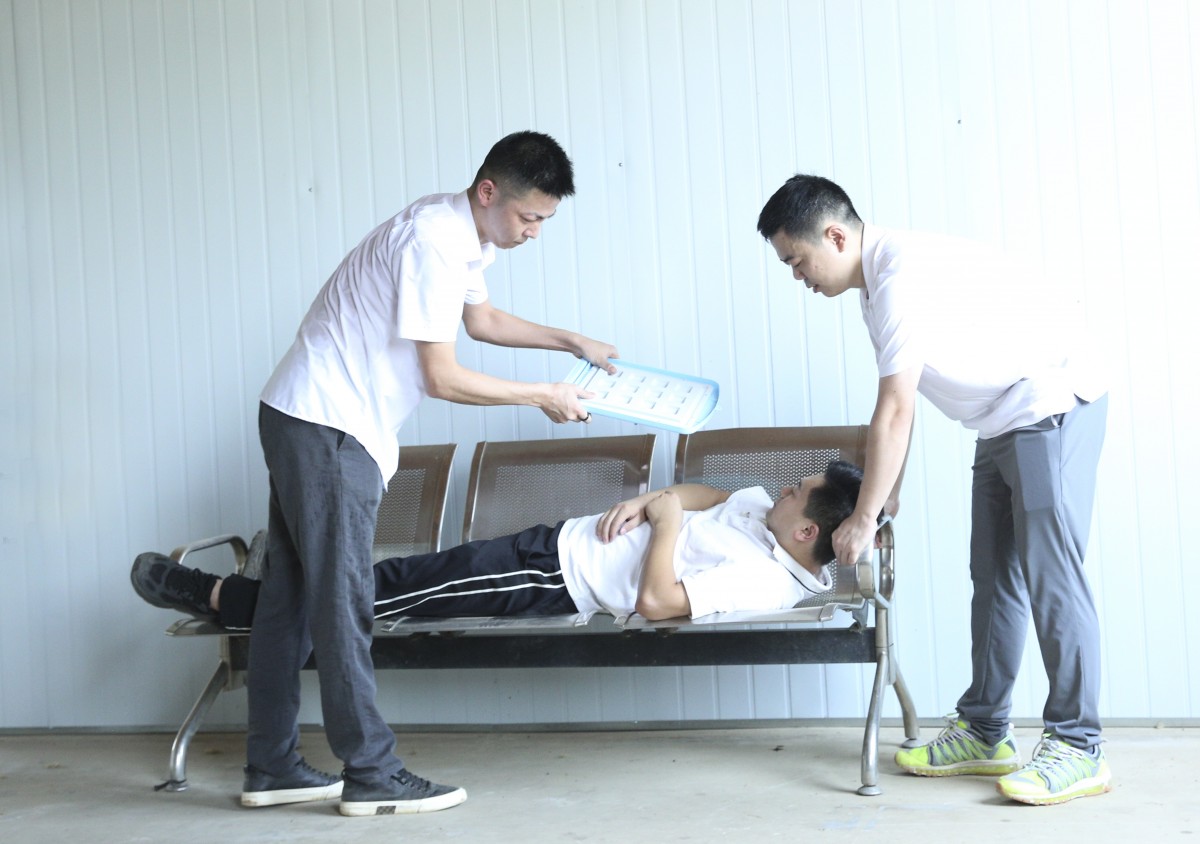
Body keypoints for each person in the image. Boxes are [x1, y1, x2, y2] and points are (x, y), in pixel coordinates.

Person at [208, 131, 620, 817]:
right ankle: (371, 771)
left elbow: (481, 320)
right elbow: (442, 377)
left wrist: (569, 341)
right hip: (330, 427)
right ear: (488, 192)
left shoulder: (458, 233)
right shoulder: (432, 241)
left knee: (289, 599)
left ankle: (272, 766)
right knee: (341, 600)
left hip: (303, 415)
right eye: (529, 217)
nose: (534, 232)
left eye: (544, 220)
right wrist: (542, 395)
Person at [757, 175, 1109, 806]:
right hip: (1003, 420)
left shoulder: (899, 276)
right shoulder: (874, 286)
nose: (797, 275)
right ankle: (985, 730)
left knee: (1052, 576)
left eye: (796, 259)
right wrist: (886, 491)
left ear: (834, 236)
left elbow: (894, 408)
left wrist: (865, 516)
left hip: (1049, 404)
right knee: (993, 578)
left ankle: (1079, 745)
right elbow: (907, 395)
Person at [134, 459, 862, 630]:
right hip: (557, 544)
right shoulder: (764, 514)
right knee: (403, 581)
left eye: (797, 490)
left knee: (393, 593)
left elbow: (656, 603)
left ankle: (231, 600)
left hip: (555, 581)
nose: (781, 488)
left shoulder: (762, 581)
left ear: (807, 533)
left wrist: (665, 524)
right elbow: (710, 494)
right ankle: (253, 602)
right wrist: (657, 499)